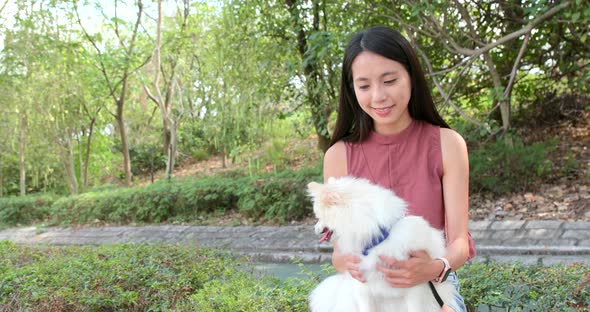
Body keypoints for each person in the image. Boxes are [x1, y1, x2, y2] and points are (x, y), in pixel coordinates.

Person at [322, 26, 476, 312]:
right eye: (364, 86)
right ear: (352, 89)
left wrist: (435, 267)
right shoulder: (338, 156)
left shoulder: (448, 144)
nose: (378, 96)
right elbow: (338, 253)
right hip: (366, 297)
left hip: (432, 291)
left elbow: (459, 243)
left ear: (411, 77)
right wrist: (346, 261)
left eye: (389, 80)